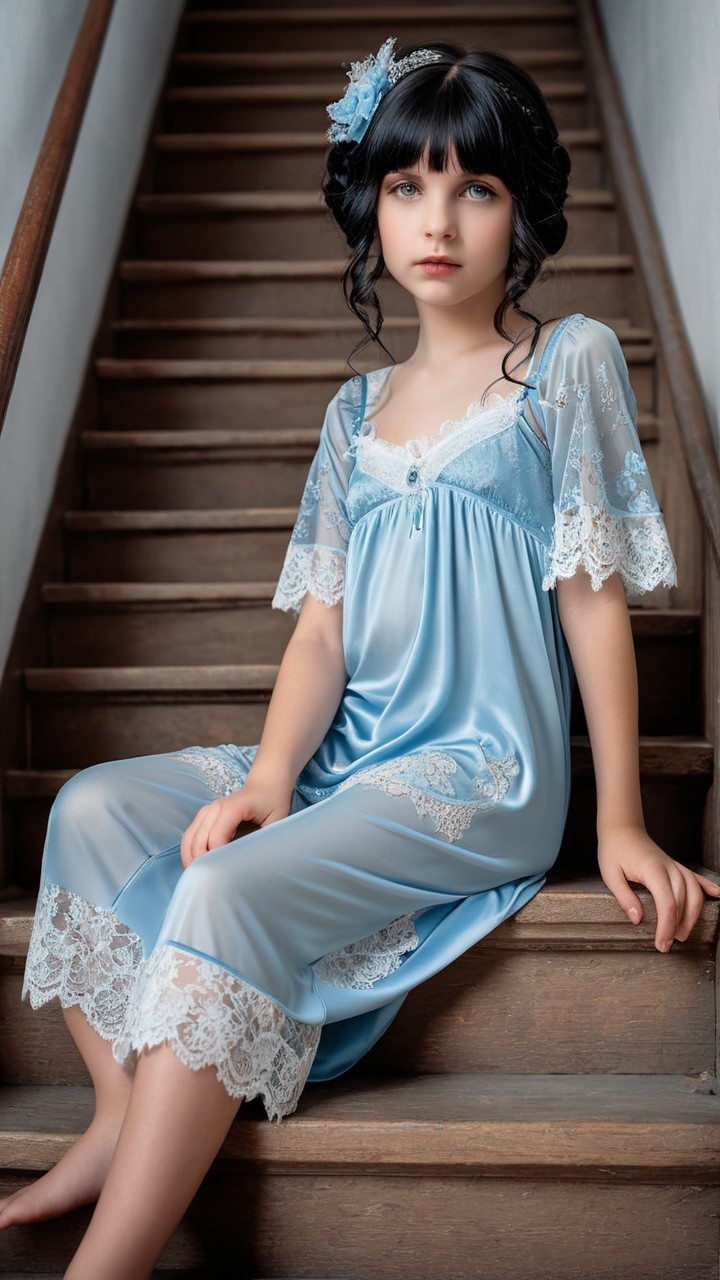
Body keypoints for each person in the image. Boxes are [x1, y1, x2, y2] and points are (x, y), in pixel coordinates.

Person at [2, 34, 718, 1279]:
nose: (436, 219)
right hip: (349, 752)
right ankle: (122, 1114)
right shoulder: (351, 414)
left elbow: (594, 604)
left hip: (477, 769)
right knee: (94, 805)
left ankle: (104, 1267)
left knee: (226, 887)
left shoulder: (567, 365)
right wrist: (275, 773)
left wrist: (620, 819)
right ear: (371, 205)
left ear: (521, 209)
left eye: (474, 188)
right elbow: (321, 629)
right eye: (406, 186)